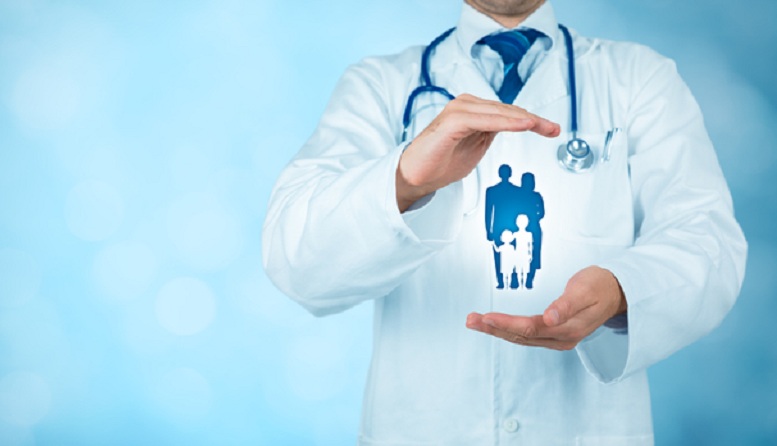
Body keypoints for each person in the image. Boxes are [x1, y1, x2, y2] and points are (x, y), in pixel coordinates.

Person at [262, 0, 747, 444]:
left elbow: (708, 242)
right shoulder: (378, 86)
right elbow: (299, 264)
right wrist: (404, 179)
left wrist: (620, 291)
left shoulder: (640, 78)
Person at [513, 214, 533, 288]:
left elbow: (530, 245)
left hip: (525, 254)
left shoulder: (529, 234)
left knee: (525, 271)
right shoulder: (515, 234)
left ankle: (524, 285)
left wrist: (530, 254)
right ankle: (520, 285)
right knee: (518, 270)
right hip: (517, 253)